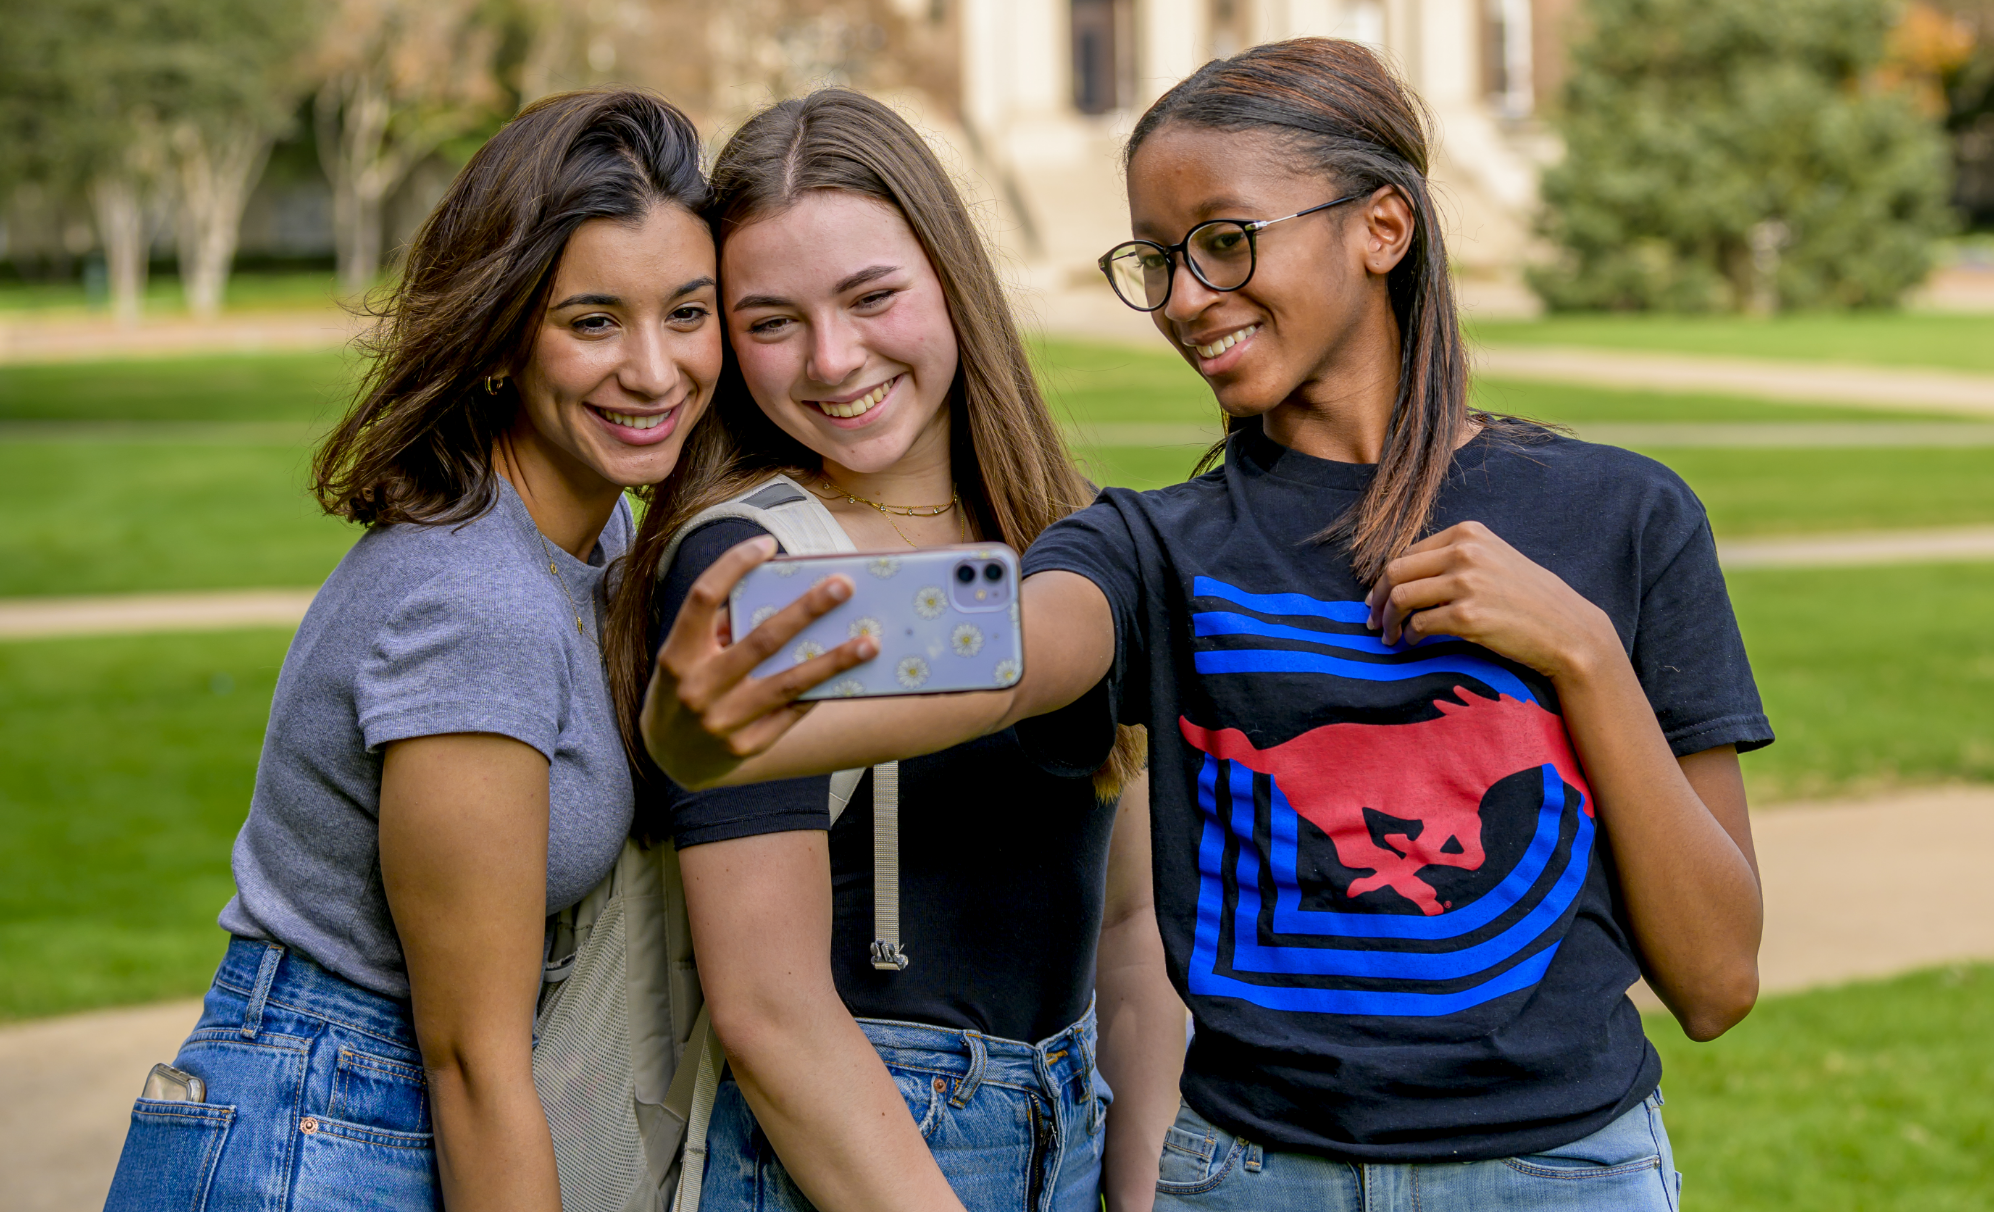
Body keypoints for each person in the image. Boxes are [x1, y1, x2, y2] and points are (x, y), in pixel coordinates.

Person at [642, 39, 1773, 1212]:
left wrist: (1581, 655)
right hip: (1249, 1179)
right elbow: (1005, 648)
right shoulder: (1145, 549)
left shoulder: (1622, 516)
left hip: (1564, 1175)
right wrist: (721, 710)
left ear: (1380, 227)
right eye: (1158, 261)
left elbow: (1712, 980)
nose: (1183, 300)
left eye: (1225, 243)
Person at [102, 89, 721, 1212]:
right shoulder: (473, 603)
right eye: (592, 322)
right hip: (323, 1129)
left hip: (371, 1106)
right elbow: (473, 1064)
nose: (653, 369)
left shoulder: (597, 534)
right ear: (498, 339)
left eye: (688, 312)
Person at [602, 89, 1187, 1212]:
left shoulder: (1073, 546)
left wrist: (1138, 1183)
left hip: (1072, 1123)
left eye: (872, 297)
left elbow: (1129, 924)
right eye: (769, 322)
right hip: (856, 1146)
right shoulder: (752, 560)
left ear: (951, 282)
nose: (831, 359)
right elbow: (768, 1011)